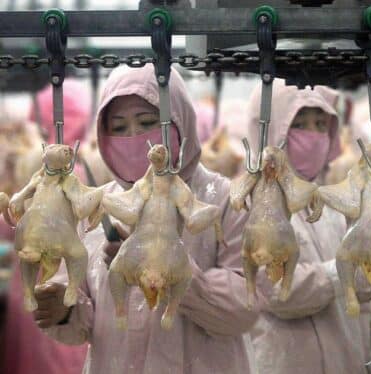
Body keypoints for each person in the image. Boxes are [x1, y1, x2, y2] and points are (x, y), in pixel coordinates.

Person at [33, 65, 258, 373]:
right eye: (119, 127)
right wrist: (64, 310)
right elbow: (82, 322)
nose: (134, 137)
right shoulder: (98, 207)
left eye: (148, 123)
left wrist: (168, 269)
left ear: (180, 121)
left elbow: (244, 310)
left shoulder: (224, 201)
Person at [244, 79, 371, 373]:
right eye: (300, 124)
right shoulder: (251, 204)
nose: (314, 135)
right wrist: (343, 270)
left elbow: (362, 290)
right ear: (272, 129)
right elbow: (276, 291)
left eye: (319, 124)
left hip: (343, 360)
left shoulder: (326, 203)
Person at [2, 79, 91, 374]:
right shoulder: (82, 171)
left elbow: (11, 223)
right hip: (66, 300)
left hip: (34, 299)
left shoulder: (28, 166)